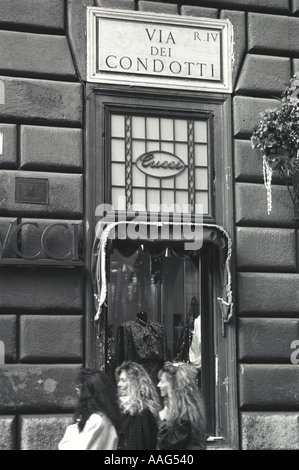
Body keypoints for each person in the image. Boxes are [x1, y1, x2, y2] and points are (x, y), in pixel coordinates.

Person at [58, 368, 121, 450]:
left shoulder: (97, 420)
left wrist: (72, 429)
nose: (77, 391)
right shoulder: (105, 419)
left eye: (80, 387)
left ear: (89, 393)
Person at [156, 361, 206, 450]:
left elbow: (168, 446)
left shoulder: (183, 414)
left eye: (162, 381)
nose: (158, 385)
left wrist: (163, 421)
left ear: (173, 385)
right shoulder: (182, 409)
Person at [115, 361, 161, 450]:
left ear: (135, 383)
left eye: (123, 380)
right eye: (119, 380)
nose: (119, 384)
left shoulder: (142, 414)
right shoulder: (126, 410)